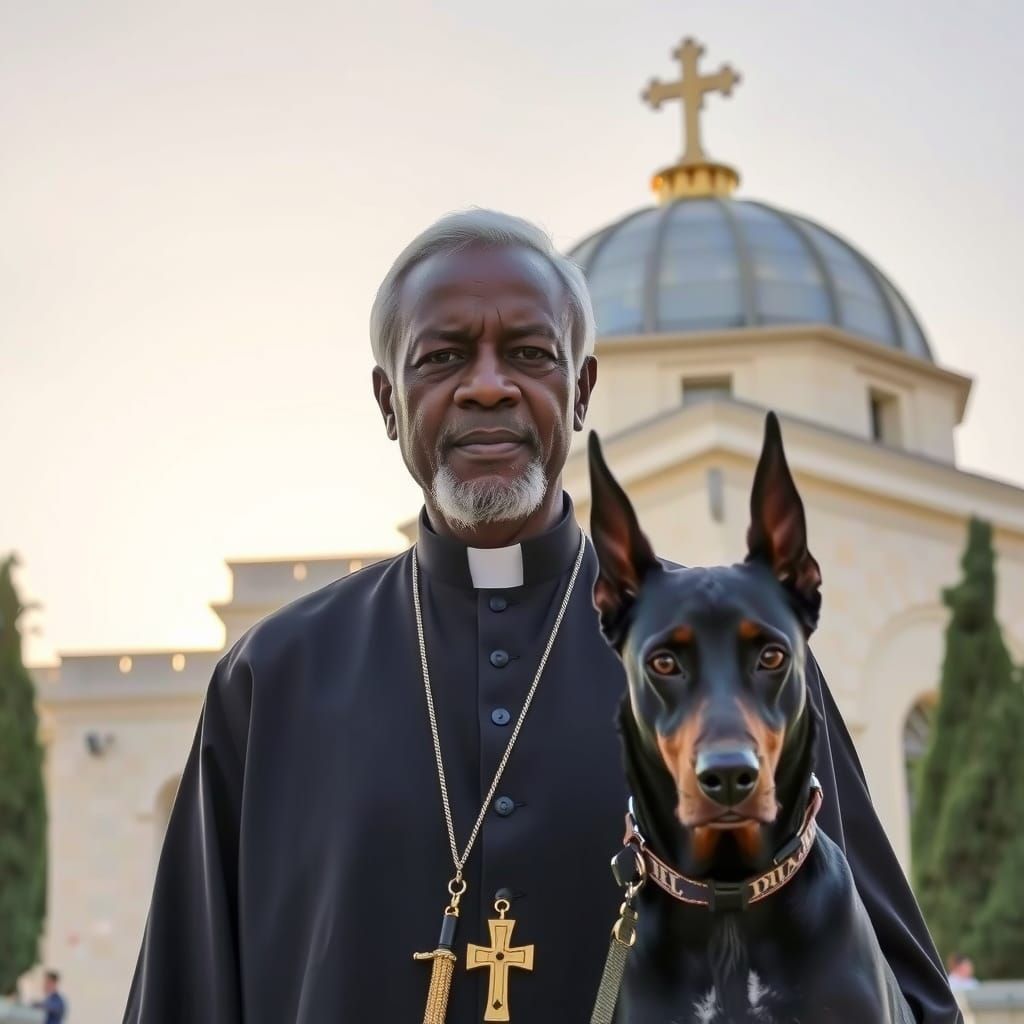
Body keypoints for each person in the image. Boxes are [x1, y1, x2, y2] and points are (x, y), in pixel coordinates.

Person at [122, 210, 962, 1023]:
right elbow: (185, 990)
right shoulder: (274, 675)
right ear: (387, 400)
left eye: (528, 353)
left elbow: (885, 980)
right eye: (443, 356)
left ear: (581, 387)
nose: (487, 386)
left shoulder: (737, 664)